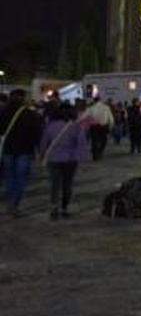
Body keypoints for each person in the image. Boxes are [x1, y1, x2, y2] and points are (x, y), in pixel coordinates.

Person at [38, 102, 88, 220]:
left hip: (53, 159)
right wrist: (83, 159)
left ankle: (54, 208)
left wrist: (41, 154)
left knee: (55, 184)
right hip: (70, 159)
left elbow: (44, 142)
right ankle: (65, 208)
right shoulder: (77, 126)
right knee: (67, 184)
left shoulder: (51, 125)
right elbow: (81, 144)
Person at [0, 89, 43, 217]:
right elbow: (37, 134)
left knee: (9, 178)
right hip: (25, 151)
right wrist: (39, 150)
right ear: (23, 99)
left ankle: (10, 203)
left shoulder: (3, 112)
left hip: (8, 150)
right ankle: (14, 205)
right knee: (21, 179)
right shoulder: (30, 114)